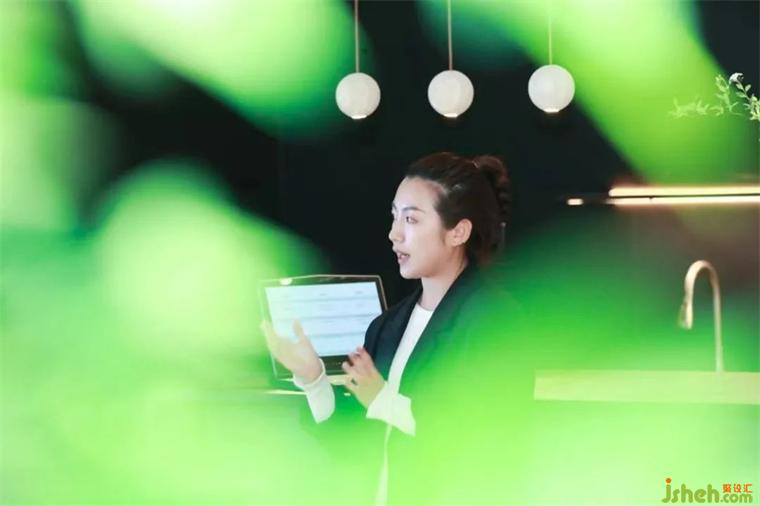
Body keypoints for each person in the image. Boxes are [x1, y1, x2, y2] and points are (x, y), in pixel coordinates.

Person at [261, 152, 526, 506]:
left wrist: (383, 400)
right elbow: (355, 444)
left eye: (411, 219)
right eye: (394, 217)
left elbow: (483, 435)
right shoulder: (386, 327)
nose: (394, 234)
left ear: (458, 232)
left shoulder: (497, 321)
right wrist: (313, 378)